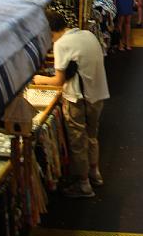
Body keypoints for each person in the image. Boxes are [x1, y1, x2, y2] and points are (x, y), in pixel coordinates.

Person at [33, 10, 110, 198]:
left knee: (78, 141)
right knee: (92, 136)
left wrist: (38, 79)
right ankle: (95, 173)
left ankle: (83, 184)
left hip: (78, 99)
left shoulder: (61, 44)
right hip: (98, 95)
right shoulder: (87, 34)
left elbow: (58, 81)